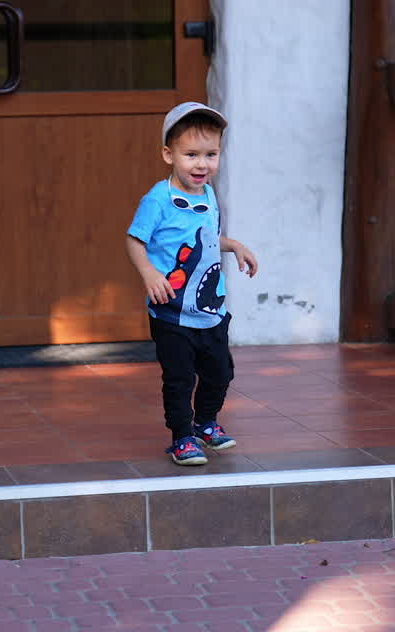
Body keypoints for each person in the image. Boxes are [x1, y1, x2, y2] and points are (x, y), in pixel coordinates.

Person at [125, 102, 259, 466]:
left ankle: (206, 423)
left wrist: (234, 246)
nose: (202, 164)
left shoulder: (209, 194)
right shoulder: (158, 199)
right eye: (191, 155)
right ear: (169, 155)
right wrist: (150, 274)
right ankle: (182, 437)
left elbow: (207, 237)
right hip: (171, 313)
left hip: (211, 311)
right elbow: (134, 241)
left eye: (211, 154)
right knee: (180, 379)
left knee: (220, 371)